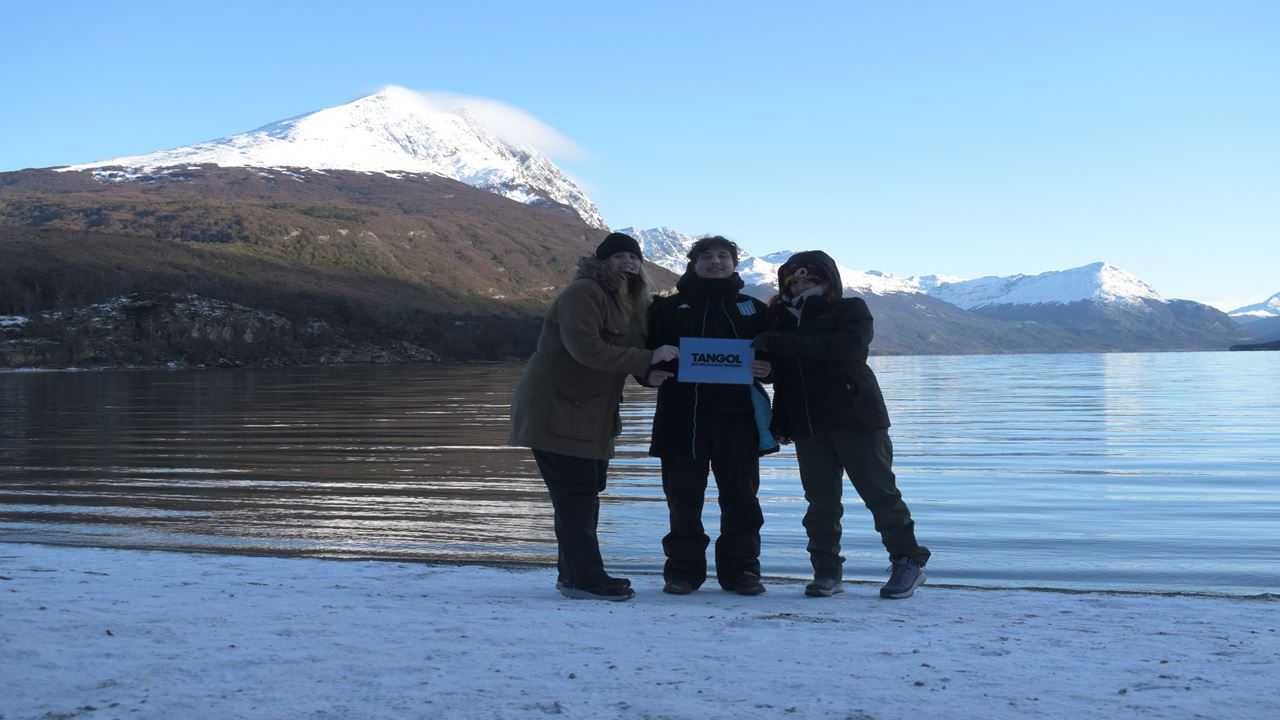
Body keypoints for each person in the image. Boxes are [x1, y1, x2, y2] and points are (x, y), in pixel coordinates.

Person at [509, 232, 680, 602]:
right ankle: (587, 578)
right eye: (618, 257)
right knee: (576, 497)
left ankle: (573, 575)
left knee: (582, 495)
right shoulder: (583, 292)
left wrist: (647, 375)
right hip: (555, 410)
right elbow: (586, 349)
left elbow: (631, 349)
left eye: (634, 258)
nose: (628, 263)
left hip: (589, 413)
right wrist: (647, 360)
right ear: (601, 263)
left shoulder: (633, 302)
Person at [753, 250, 931, 599]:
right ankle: (826, 573)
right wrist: (769, 374)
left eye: (810, 279)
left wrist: (779, 343)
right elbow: (784, 371)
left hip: (856, 417)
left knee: (879, 494)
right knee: (819, 502)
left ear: (828, 281)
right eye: (794, 280)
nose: (801, 284)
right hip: (807, 423)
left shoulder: (852, 309)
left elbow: (844, 349)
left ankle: (908, 562)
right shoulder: (782, 319)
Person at [645, 235, 778, 596]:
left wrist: (770, 369)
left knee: (742, 501)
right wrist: (646, 372)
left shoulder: (754, 309)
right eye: (707, 256)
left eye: (723, 256)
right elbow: (644, 353)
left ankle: (742, 572)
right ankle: (683, 573)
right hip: (679, 418)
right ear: (693, 262)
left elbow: (777, 361)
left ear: (735, 264)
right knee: (683, 501)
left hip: (738, 420)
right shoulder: (667, 309)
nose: (715, 262)